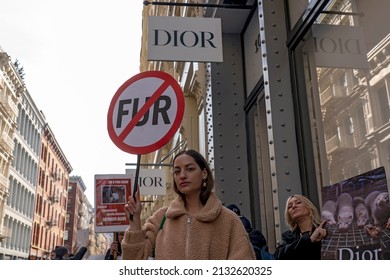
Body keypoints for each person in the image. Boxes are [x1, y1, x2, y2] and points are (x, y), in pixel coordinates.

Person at [122, 149, 255, 260]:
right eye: (177, 171)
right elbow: (135, 260)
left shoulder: (228, 220)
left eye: (190, 169)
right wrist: (135, 221)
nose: (182, 175)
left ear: (204, 173)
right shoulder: (162, 218)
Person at [273, 194, 327, 260]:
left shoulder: (323, 229)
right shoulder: (289, 236)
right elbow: (278, 256)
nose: (293, 206)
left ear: (309, 208)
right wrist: (309, 240)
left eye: (298, 202)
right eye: (290, 206)